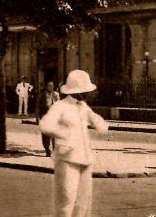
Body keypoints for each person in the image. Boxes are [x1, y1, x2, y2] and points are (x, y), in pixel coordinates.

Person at [39, 70, 108, 217]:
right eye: (86, 91)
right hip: (67, 159)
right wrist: (63, 135)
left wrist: (100, 124)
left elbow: (97, 120)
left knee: (83, 203)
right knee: (66, 202)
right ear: (78, 91)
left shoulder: (83, 107)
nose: (88, 94)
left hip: (85, 158)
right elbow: (45, 124)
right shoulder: (60, 106)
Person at [36, 80, 61, 157]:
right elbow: (37, 107)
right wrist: (37, 117)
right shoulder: (41, 95)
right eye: (49, 86)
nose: (51, 87)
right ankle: (47, 150)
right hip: (45, 117)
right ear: (46, 86)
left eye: (52, 86)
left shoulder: (56, 94)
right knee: (46, 135)